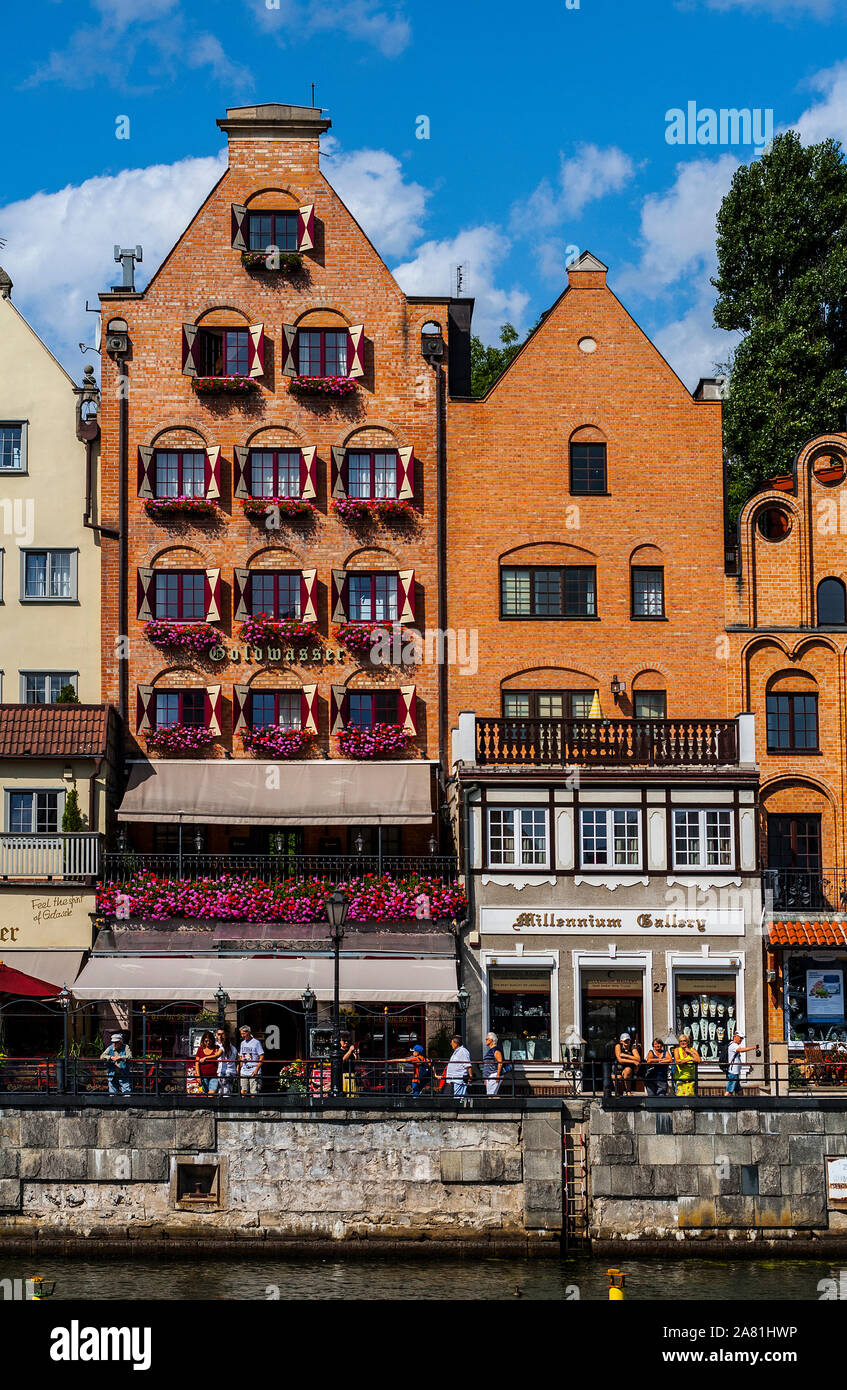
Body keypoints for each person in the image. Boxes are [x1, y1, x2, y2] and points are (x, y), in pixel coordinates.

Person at [238, 1025, 264, 1096]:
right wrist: (240, 1065)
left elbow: (261, 1056)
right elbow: (240, 1056)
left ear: (248, 1032)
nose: (242, 1035)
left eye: (243, 1033)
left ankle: (254, 1106)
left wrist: (257, 1069)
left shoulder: (256, 1042)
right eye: (241, 1034)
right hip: (244, 1070)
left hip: (254, 1070)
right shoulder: (242, 1043)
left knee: (254, 1092)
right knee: (243, 1091)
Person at [444, 1033, 472, 1098]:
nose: (451, 1044)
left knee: (459, 1098)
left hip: (459, 1080)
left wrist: (470, 1076)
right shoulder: (456, 1052)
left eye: (452, 1043)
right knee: (460, 1097)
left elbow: (468, 1064)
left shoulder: (463, 1051)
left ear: (456, 1043)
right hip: (454, 1080)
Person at [194, 1030, 219, 1095]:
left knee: (212, 1093)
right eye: (206, 1041)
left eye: (209, 1041)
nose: (208, 1043)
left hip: (214, 1075)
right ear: (203, 1040)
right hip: (203, 1076)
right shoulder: (200, 1049)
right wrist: (198, 1076)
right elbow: (197, 1063)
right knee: (206, 1094)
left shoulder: (216, 1048)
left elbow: (218, 1056)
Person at [215, 1027, 238, 1096]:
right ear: (216, 1035)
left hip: (223, 1072)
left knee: (222, 1092)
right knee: (224, 1092)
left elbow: (216, 1055)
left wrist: (206, 1058)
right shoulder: (214, 1045)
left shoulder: (224, 1047)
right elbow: (239, 1059)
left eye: (222, 1034)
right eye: (219, 1034)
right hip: (221, 1071)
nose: (220, 1036)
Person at [482, 1032, 504, 1097]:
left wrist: (497, 1075)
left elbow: (500, 1062)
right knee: (491, 1095)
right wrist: (486, 1077)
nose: (485, 1040)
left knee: (491, 1095)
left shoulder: (496, 1050)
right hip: (489, 1076)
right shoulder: (491, 1050)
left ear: (491, 1040)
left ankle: (500, 1106)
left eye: (487, 1039)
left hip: (494, 1074)